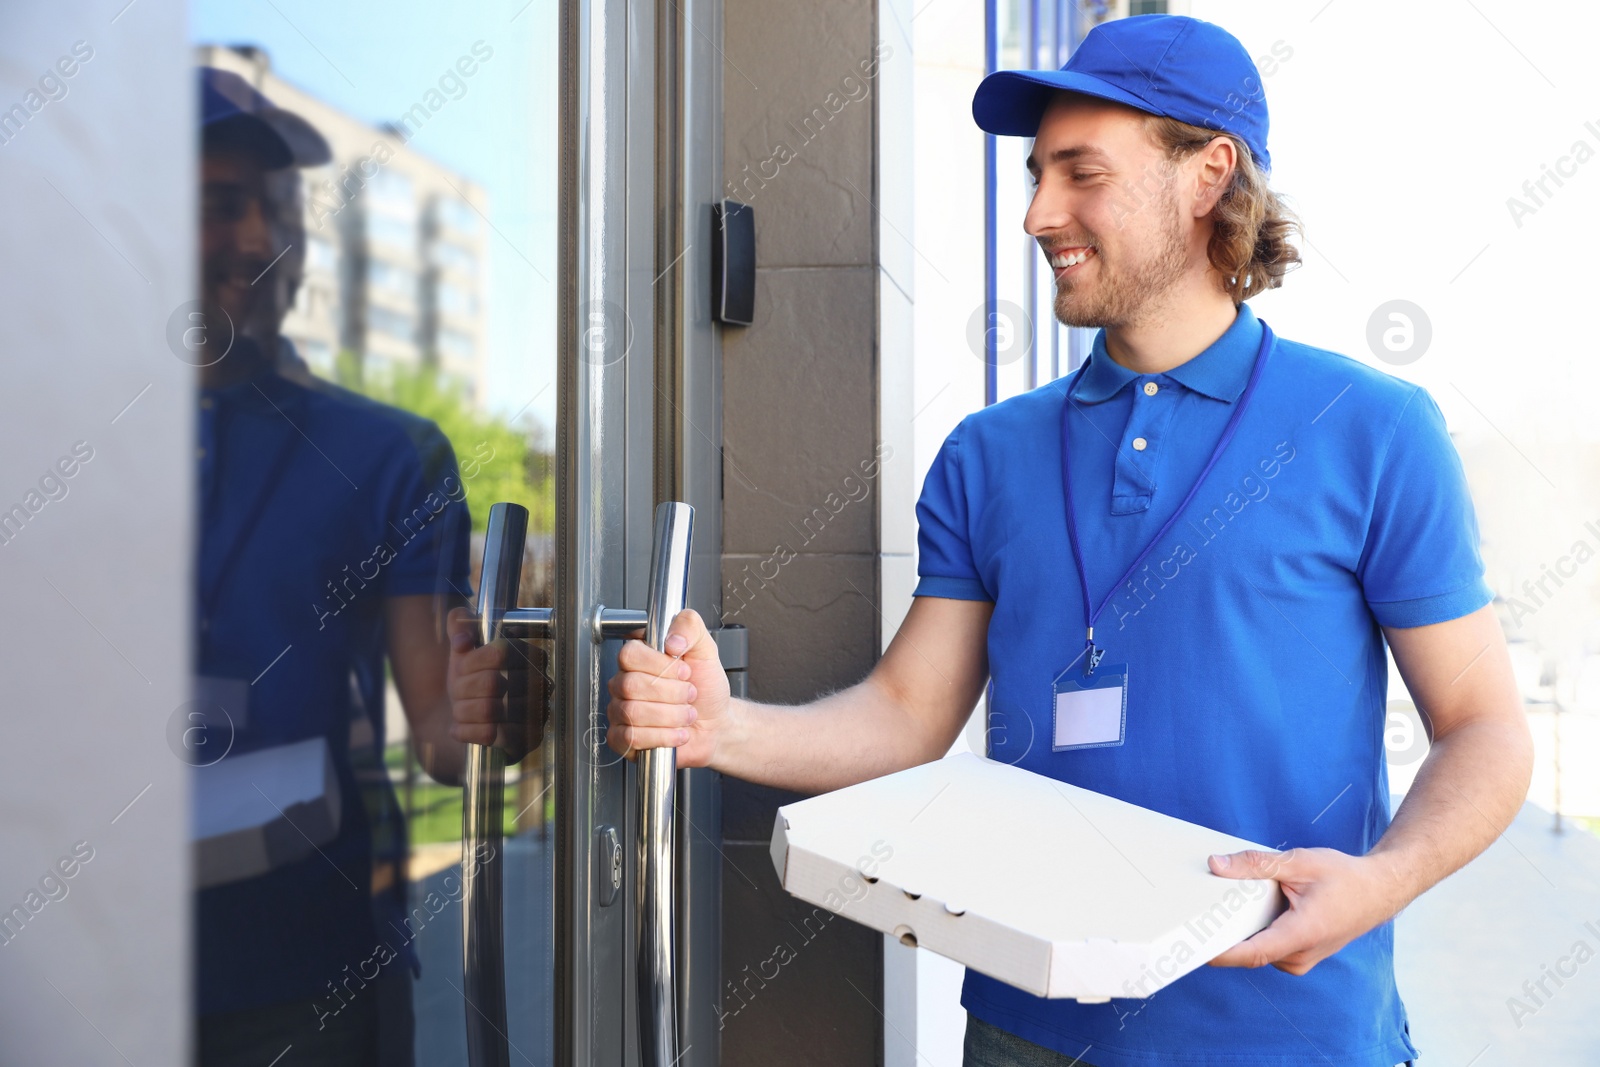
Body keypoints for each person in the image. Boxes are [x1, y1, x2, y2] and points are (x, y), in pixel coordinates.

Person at [450, 13, 1534, 1067]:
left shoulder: (1372, 430)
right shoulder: (987, 454)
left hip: (1286, 1033)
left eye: (1081, 173)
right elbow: (906, 713)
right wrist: (721, 726)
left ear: (1208, 174)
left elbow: (1484, 728)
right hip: (1026, 1032)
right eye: (1033, 177)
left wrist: (1379, 881)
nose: (1038, 214)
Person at [193, 66, 478, 1066]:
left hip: (309, 979)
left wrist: (510, 700)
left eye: (279, 212)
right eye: (221, 207)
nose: (262, 243)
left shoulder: (391, 455)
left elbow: (446, 735)